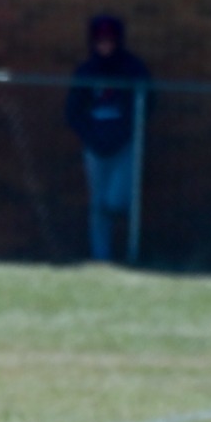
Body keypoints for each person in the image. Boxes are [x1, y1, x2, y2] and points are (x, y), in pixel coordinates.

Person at [66, 14, 149, 262]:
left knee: (117, 199)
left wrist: (124, 133)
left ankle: (129, 249)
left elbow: (147, 103)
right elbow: (73, 111)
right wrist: (91, 137)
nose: (105, 45)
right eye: (100, 40)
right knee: (98, 203)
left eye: (110, 40)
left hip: (125, 145)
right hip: (95, 146)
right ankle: (101, 256)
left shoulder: (133, 68)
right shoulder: (85, 71)